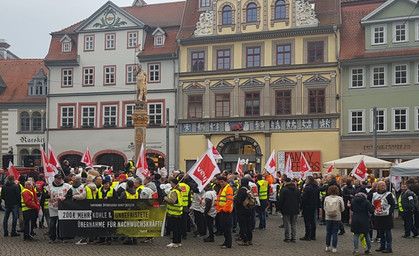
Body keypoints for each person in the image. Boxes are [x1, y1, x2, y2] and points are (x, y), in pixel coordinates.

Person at [372, 181, 395, 253]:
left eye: (384, 185)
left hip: (386, 216)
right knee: (380, 231)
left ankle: (389, 247)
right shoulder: (374, 195)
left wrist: (390, 213)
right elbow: (372, 204)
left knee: (387, 231)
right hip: (378, 216)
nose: (383, 186)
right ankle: (382, 246)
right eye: (381, 185)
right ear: (378, 186)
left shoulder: (389, 195)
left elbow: (392, 205)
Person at [48, 174, 71, 243]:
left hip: (62, 208)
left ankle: (62, 237)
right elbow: (44, 196)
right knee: (52, 223)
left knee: (61, 223)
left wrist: (66, 197)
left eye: (60, 179)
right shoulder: (49, 187)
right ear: (55, 179)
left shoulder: (66, 186)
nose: (60, 180)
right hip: (53, 208)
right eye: (58, 179)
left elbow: (70, 194)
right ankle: (52, 238)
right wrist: (47, 194)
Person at [278, 178, 300, 243]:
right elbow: (299, 199)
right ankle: (293, 238)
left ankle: (287, 238)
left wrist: (279, 208)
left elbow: (281, 200)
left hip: (286, 209)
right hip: (295, 209)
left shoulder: (284, 190)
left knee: (286, 223)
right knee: (293, 224)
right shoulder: (297, 190)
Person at [324, 185, 344, 253]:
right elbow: (342, 208)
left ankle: (327, 246)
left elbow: (324, 207)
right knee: (335, 232)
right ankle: (334, 248)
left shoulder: (326, 198)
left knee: (328, 232)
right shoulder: (339, 198)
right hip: (337, 217)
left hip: (328, 217)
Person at [164, 178, 183, 248]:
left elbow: (172, 201)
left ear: (174, 184)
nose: (171, 184)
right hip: (178, 212)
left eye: (171, 183)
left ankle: (174, 242)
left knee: (175, 228)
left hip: (173, 213)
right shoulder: (179, 191)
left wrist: (165, 198)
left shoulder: (174, 191)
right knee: (178, 228)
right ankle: (178, 241)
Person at [216, 176, 234, 249]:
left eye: (222, 182)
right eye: (220, 182)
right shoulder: (222, 188)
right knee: (224, 228)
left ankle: (228, 243)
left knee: (226, 229)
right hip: (221, 210)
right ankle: (226, 242)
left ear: (226, 181)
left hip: (225, 211)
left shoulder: (228, 189)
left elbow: (229, 201)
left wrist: (224, 209)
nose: (221, 183)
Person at [234, 177, 253, 246]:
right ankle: (250, 239)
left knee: (243, 225)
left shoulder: (241, 190)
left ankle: (245, 240)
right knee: (249, 224)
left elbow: (238, 201)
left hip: (242, 210)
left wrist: (236, 206)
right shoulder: (248, 188)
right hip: (249, 208)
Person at [300, 176, 319, 241]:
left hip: (307, 206)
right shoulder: (316, 187)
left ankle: (307, 235)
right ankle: (313, 235)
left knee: (307, 221)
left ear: (309, 180)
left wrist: (301, 206)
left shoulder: (307, 188)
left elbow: (304, 198)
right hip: (314, 205)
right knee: (312, 220)